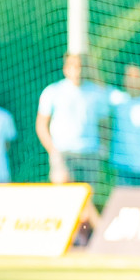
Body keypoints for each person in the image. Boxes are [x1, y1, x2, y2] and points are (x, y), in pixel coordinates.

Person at [36, 53, 110, 199]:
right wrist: (53, 151)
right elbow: (41, 125)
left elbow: (104, 124)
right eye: (73, 66)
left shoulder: (96, 92)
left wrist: (103, 147)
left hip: (90, 153)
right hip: (63, 153)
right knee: (63, 198)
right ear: (65, 68)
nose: (77, 70)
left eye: (80, 66)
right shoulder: (53, 91)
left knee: (87, 200)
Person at [109, 65, 140, 187]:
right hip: (123, 167)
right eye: (129, 76)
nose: (133, 80)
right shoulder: (117, 101)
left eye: (136, 77)